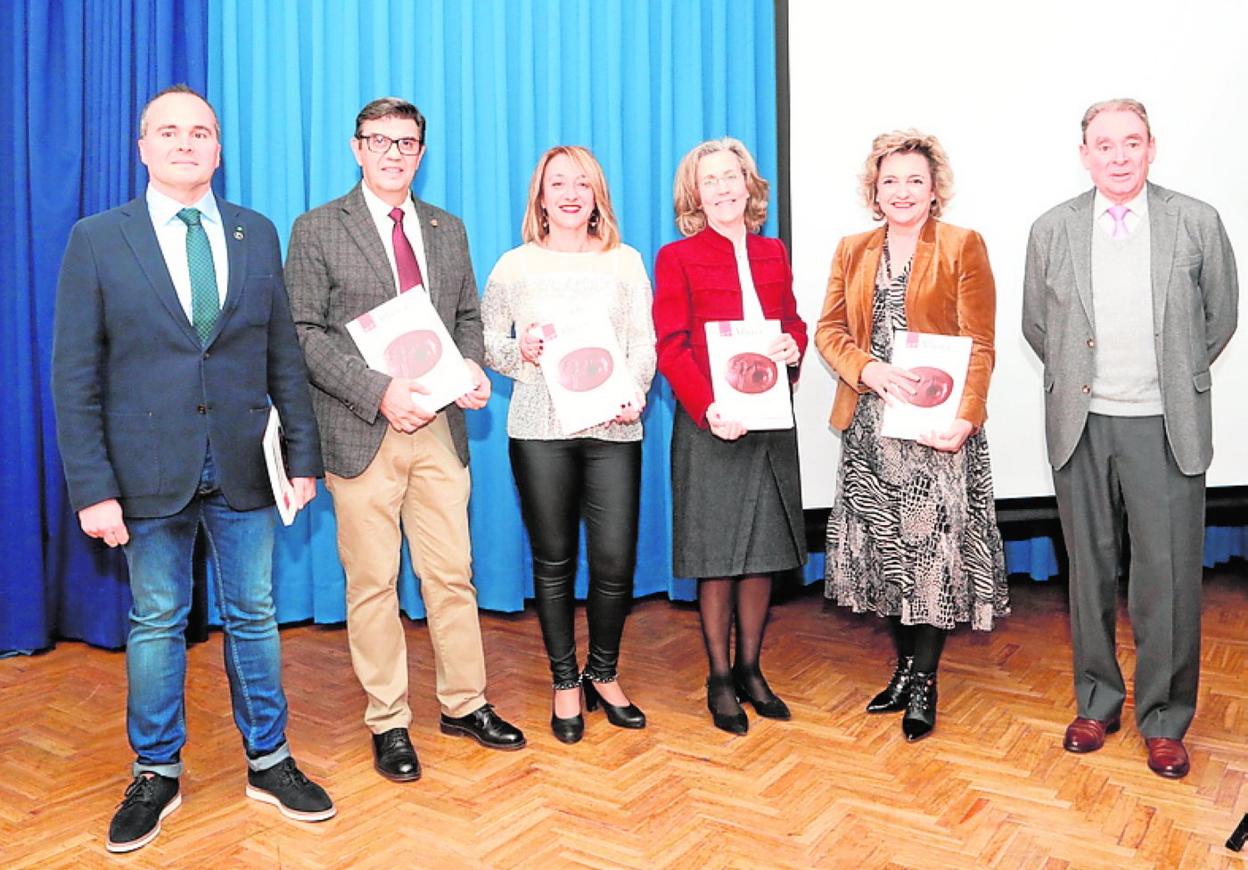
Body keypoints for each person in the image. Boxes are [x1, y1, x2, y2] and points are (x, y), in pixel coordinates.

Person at [51, 85, 335, 853]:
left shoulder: (256, 232)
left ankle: (269, 761)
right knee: (156, 621)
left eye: (201, 132)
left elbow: (283, 354)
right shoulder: (97, 239)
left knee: (255, 616)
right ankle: (156, 771)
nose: (186, 143)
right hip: (143, 475)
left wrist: (302, 456)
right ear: (142, 148)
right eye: (169, 131)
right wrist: (93, 489)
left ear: (218, 149)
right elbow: (74, 375)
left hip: (245, 468)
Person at [285, 97, 524, 782]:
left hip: (441, 430)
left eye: (407, 142)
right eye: (379, 140)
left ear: (421, 152)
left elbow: (467, 317)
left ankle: (464, 703)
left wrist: (471, 367)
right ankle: (388, 720)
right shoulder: (316, 228)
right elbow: (303, 332)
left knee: (452, 575)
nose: (393, 153)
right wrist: (378, 392)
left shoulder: (447, 229)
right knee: (373, 582)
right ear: (356, 148)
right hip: (363, 430)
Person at [1022, 98, 1238, 779]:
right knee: (1088, 571)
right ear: (1084, 154)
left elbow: (1220, 318)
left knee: (1166, 578)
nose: (1119, 156)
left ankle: (1165, 719)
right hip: (1081, 425)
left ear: (1151, 148)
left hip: (1166, 426)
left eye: (1132, 142)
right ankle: (1097, 702)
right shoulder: (1052, 228)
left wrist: (1171, 377)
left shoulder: (1196, 221)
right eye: (1105, 144)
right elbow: (1037, 325)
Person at [815, 130, 1009, 742]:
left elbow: (981, 344)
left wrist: (966, 417)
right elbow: (828, 331)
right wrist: (866, 369)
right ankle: (902, 669)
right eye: (891, 181)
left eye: (914, 181)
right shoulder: (852, 249)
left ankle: (925, 680)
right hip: (870, 431)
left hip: (936, 432)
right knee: (890, 555)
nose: (902, 191)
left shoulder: (961, 245)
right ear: (875, 190)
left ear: (933, 190)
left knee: (933, 557)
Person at [481, 145, 655, 743]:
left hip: (614, 428)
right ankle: (564, 681)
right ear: (541, 196)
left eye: (582, 182)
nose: (571, 193)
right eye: (559, 183)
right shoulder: (514, 266)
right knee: (553, 563)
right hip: (539, 431)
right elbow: (486, 342)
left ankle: (603, 673)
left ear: (597, 194)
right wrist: (521, 351)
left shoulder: (625, 262)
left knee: (614, 562)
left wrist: (635, 392)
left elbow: (643, 343)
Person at [653, 137, 807, 736]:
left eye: (730, 176)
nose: (722, 188)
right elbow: (671, 345)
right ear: (695, 195)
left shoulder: (773, 252)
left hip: (768, 422)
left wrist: (793, 345)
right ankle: (719, 676)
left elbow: (791, 321)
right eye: (709, 180)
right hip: (710, 423)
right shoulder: (677, 257)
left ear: (749, 184)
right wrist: (709, 407)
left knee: (762, 552)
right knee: (716, 556)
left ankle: (751, 669)